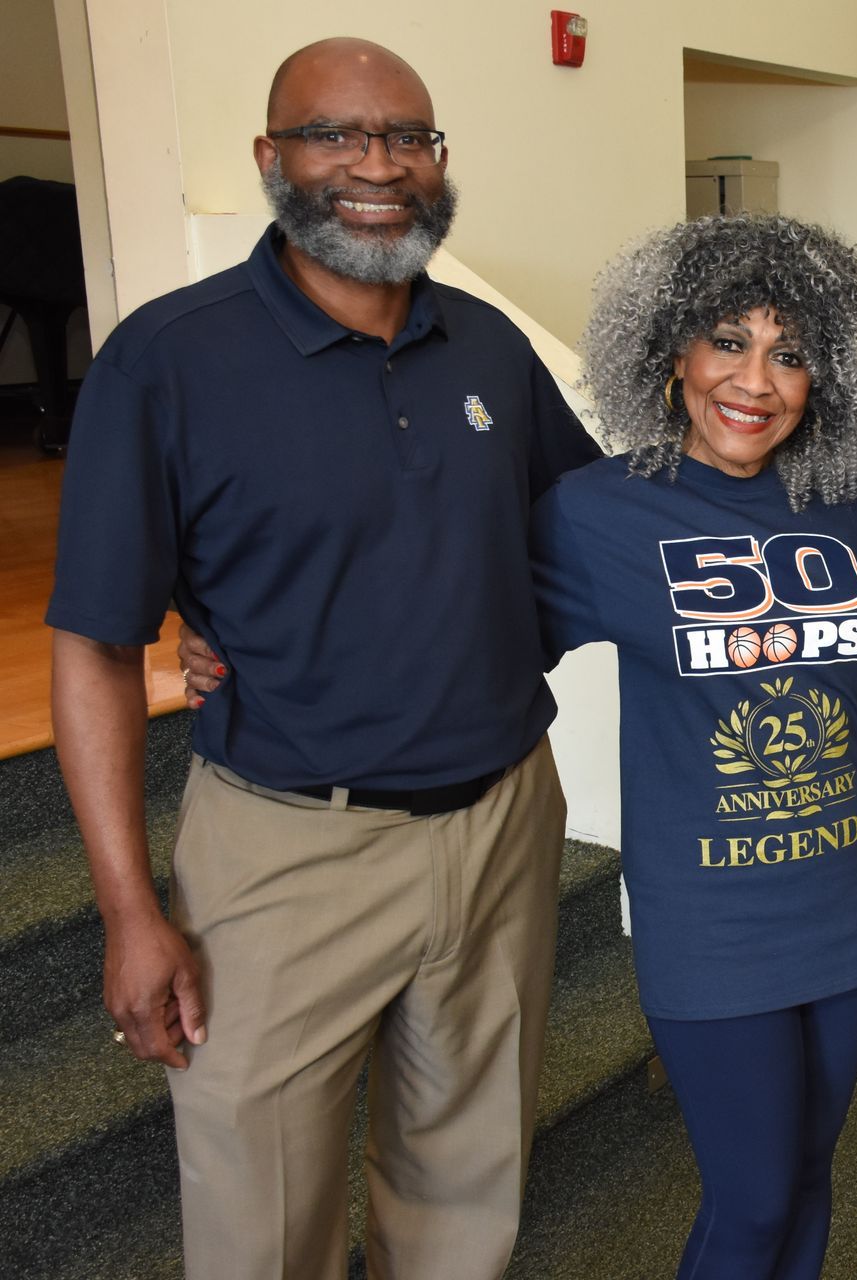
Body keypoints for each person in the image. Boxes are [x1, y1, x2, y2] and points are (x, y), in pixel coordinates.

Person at [46, 38, 602, 1276]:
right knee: (261, 1223)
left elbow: (588, 537)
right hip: (287, 853)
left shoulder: (491, 349)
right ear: (271, 158)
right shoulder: (168, 360)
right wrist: (129, 910)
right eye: (336, 136)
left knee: (468, 1199)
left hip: (504, 824)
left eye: (408, 137)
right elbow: (90, 649)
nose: (378, 166)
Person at [532, 214, 857, 1279]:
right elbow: (468, 642)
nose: (757, 379)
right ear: (672, 353)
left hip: (851, 899)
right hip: (711, 919)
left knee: (805, 1178)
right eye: (728, 340)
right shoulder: (596, 513)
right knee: (749, 1200)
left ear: (825, 376)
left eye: (791, 352)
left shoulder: (849, 507)